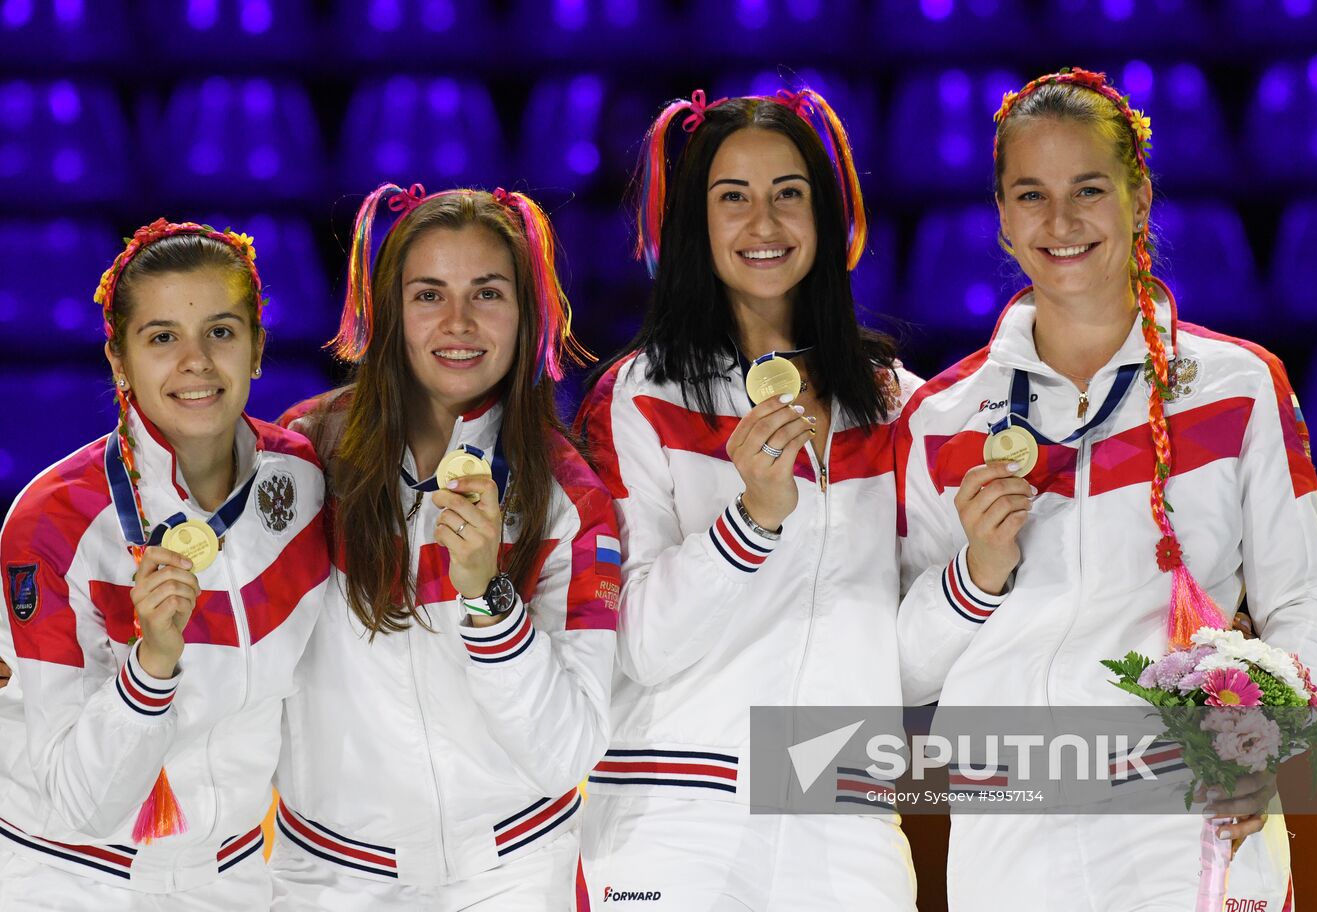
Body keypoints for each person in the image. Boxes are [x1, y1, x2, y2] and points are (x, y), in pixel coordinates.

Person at [895, 68, 1317, 910]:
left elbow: (1311, 602)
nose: (1060, 222)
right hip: (1011, 837)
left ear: (1139, 198)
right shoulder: (941, 417)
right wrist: (976, 574)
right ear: (1000, 216)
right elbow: (903, 668)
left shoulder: (1237, 384)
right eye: (1030, 194)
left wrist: (1268, 733)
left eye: (1089, 190)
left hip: (1187, 822)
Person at [575, 88, 921, 910]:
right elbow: (638, 645)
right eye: (732, 198)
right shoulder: (638, 396)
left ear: (828, 215)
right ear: (694, 226)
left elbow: (919, 643)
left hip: (847, 815)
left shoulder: (900, 403)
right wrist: (751, 518)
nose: (763, 223)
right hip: (673, 812)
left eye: (788, 194)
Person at [270, 184, 617, 911]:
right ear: (388, 313)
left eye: (487, 293)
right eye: (429, 295)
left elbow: (567, 751)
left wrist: (491, 599)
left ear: (529, 315)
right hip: (328, 881)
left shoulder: (568, 494)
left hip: (515, 875)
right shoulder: (300, 460)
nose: (458, 323)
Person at [0, 220, 329, 910]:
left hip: (233, 876)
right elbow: (76, 802)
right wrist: (151, 665)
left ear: (258, 347)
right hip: (68, 877)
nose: (196, 363)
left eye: (220, 331)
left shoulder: (302, 484)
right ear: (118, 359)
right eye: (161, 339)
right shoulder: (52, 525)